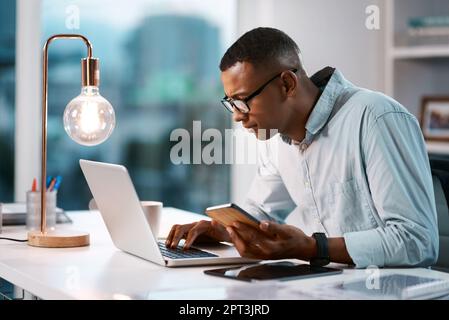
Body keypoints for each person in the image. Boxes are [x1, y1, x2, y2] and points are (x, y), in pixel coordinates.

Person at [166, 27, 438, 268]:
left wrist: (312, 248)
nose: (237, 115)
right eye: (231, 103)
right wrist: (222, 229)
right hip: (322, 285)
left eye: (242, 100)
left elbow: (418, 240)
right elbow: (261, 212)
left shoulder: (376, 118)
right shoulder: (275, 137)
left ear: (287, 84)